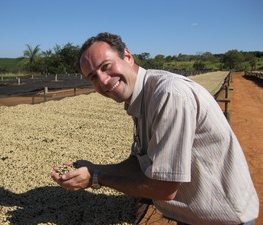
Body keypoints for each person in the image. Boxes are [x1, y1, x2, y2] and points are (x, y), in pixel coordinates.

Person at [51, 32, 259, 225]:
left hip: (223, 218)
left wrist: (97, 179)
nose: (103, 80)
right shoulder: (140, 98)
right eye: (93, 77)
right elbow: (138, 164)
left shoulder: (169, 95)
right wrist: (94, 168)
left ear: (128, 57)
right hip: (194, 214)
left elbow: (165, 187)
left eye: (106, 66)